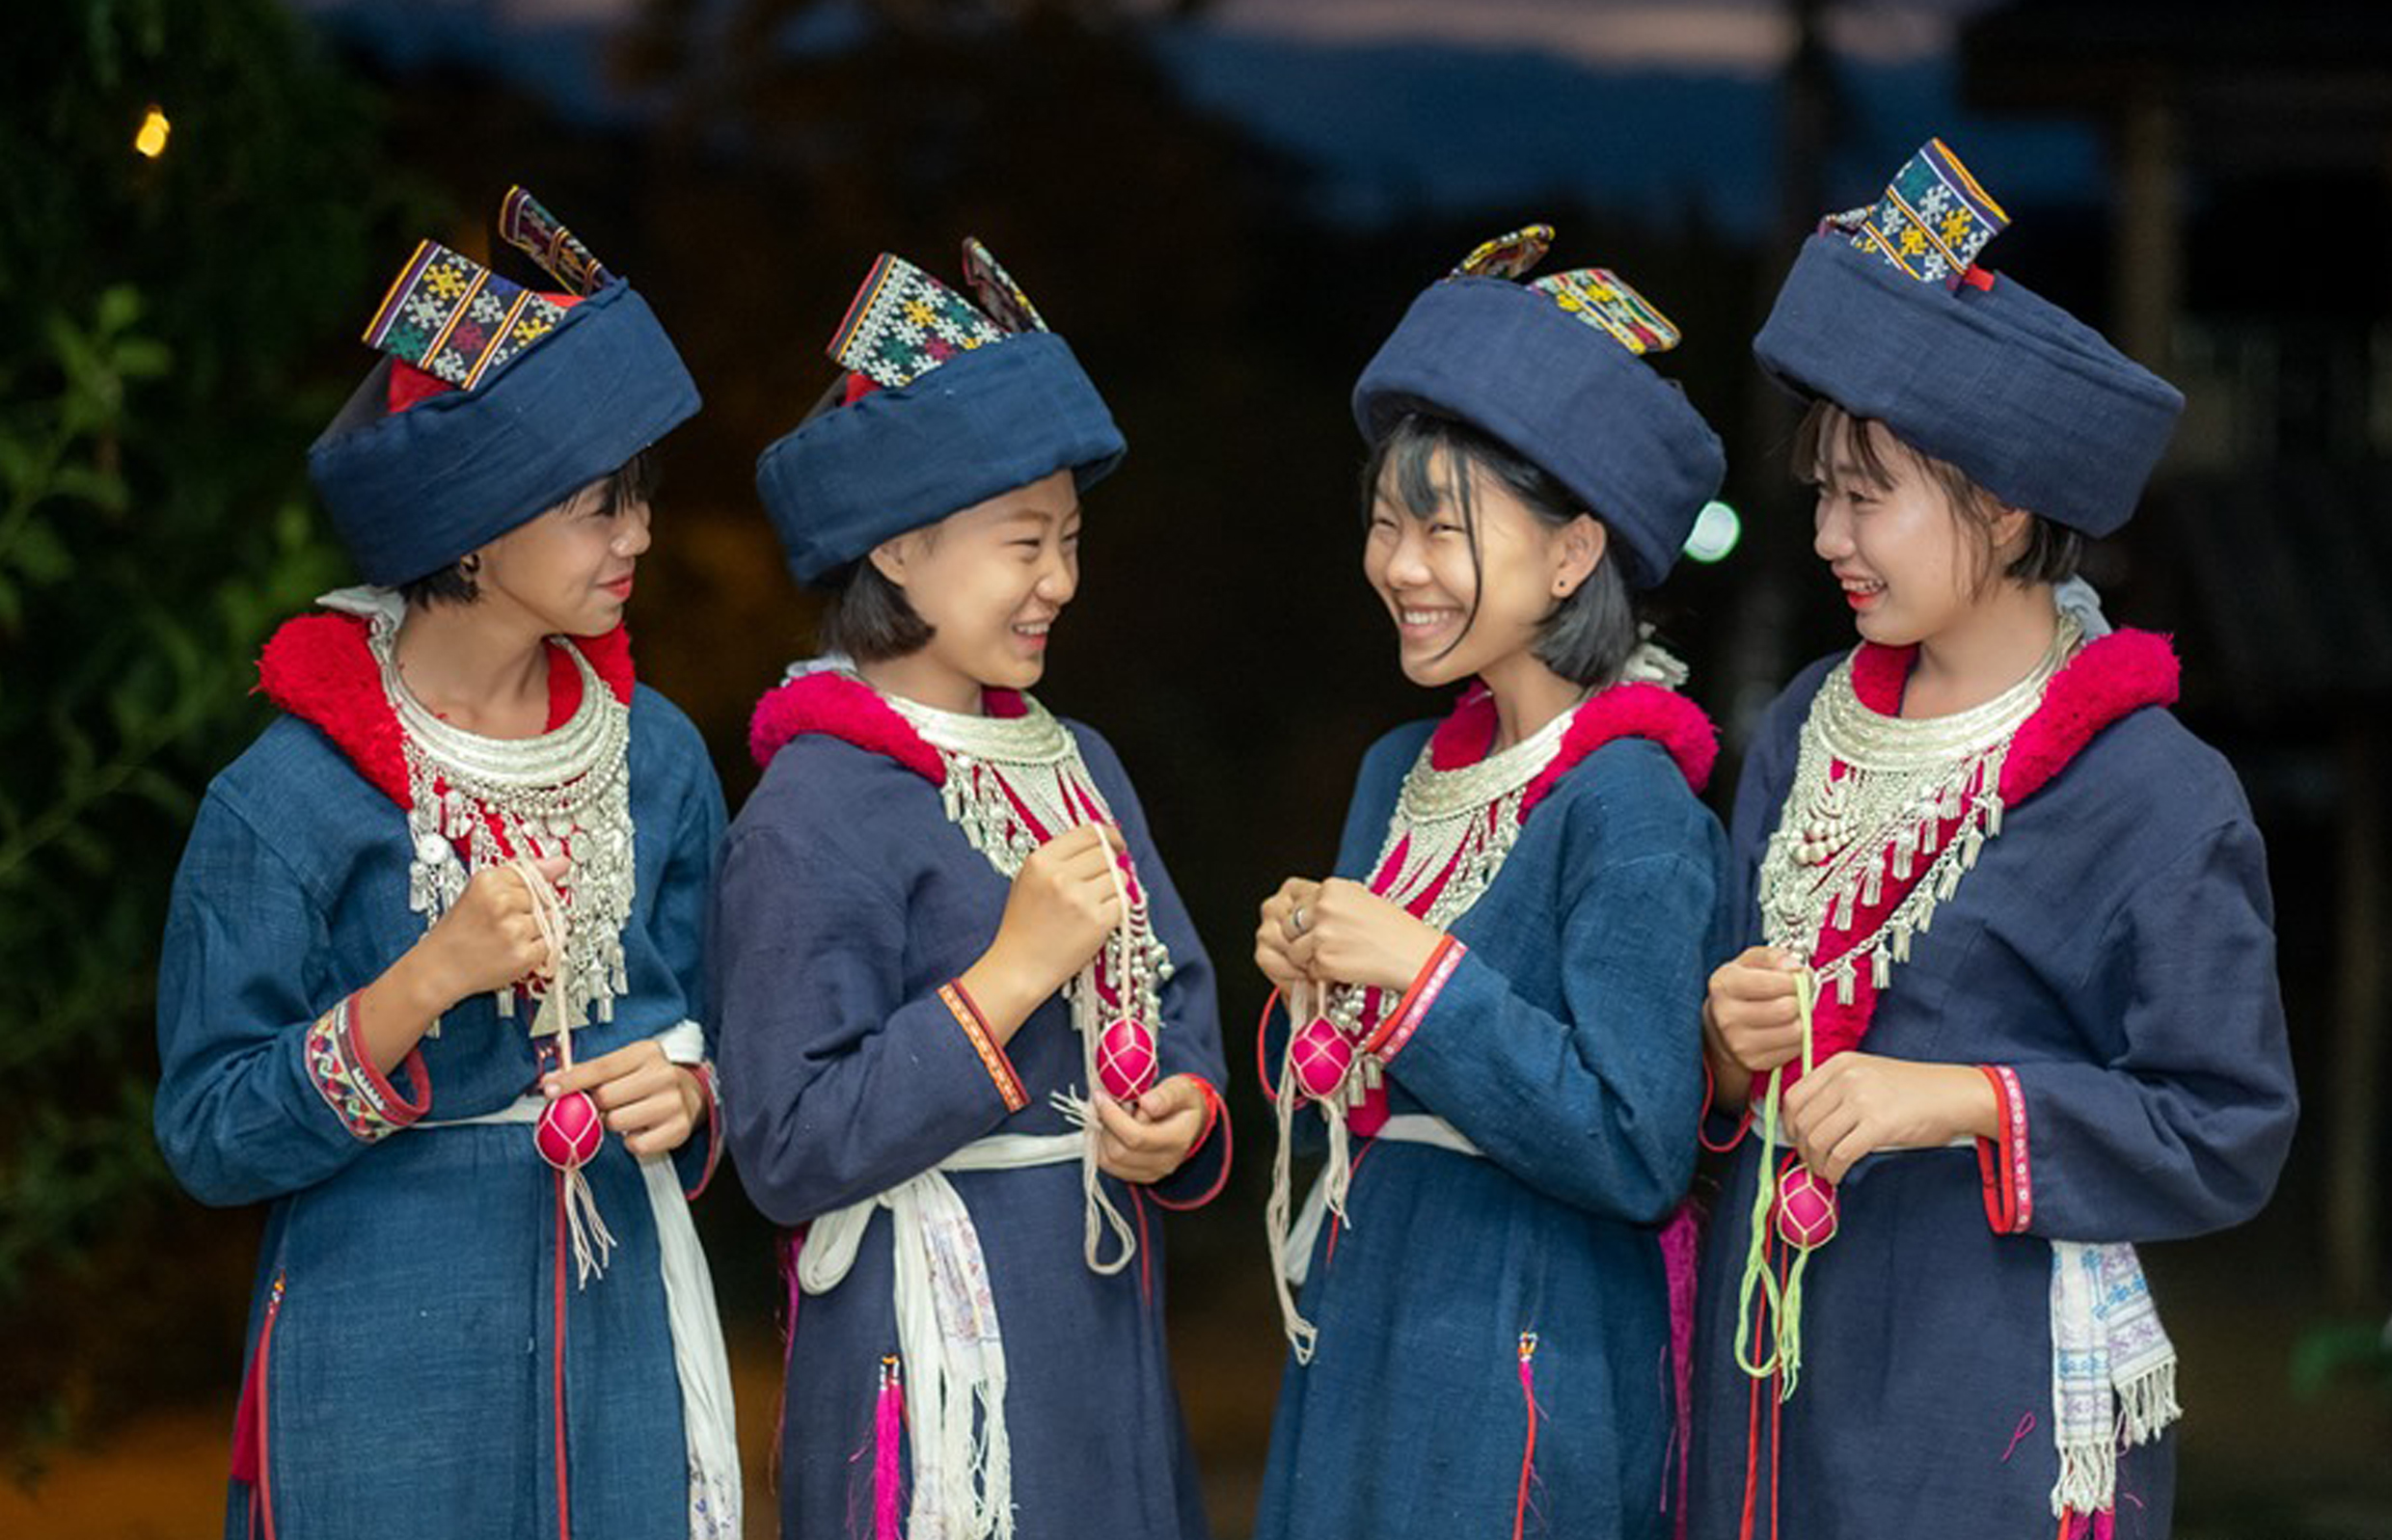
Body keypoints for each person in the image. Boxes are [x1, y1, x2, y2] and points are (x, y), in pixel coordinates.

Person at [1687, 141, 2298, 1540]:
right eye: (1823, 493)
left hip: (1985, 1382)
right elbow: (1724, 1066)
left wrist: (1960, 1098)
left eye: (1870, 494)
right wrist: (1727, 1037)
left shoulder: (2151, 787)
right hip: (1771, 1354)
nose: (1832, 533)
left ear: (2008, 500)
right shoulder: (1802, 723)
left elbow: (2229, 1123)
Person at [153, 189, 739, 1540]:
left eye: (639, 497)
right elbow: (204, 1129)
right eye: (600, 505)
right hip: (379, 1352)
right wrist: (419, 984)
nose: (639, 534)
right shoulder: (285, 801)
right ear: (472, 527)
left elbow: (730, 1031)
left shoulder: (656, 761)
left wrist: (691, 1082)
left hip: (617, 1344)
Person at [716, 239, 1230, 1540]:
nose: (1059, 578)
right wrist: (1008, 976)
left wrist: (1178, 1100)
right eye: (1023, 542)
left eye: (1068, 539)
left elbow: (1174, 983)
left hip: (1100, 1309)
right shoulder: (814, 804)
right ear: (898, 545)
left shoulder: (1078, 759)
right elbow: (783, 1144)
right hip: (923, 1344)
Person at [1250, 227, 1731, 1540]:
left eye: (1442, 527)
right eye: (1385, 522)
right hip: (1374, 1319)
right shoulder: (1396, 771)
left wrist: (1415, 970)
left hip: (1531, 1363)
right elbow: (1367, 1082)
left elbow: (1639, 1146)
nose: (1397, 565)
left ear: (1575, 553)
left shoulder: (1630, 801)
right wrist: (1314, 978)